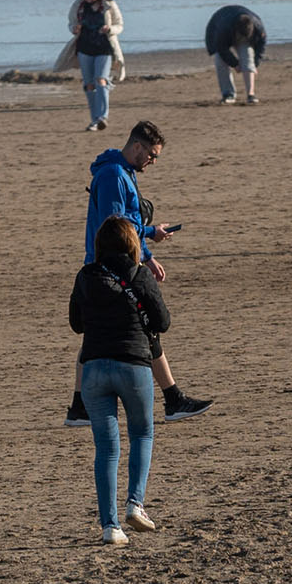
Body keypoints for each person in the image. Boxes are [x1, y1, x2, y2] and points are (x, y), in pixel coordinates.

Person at [64, 121, 210, 426]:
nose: (153, 161)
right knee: (139, 327)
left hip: (120, 262)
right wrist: (149, 233)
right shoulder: (114, 175)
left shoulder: (123, 172)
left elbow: (124, 223)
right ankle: (172, 399)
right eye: (152, 154)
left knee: (111, 332)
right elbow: (115, 224)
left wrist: (147, 255)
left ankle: (82, 408)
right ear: (137, 146)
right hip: (109, 266)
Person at [70, 216, 170, 545]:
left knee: (106, 449)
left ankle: (110, 526)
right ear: (131, 244)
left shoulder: (86, 276)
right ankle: (135, 504)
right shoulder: (139, 274)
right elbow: (162, 322)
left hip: (96, 368)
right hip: (134, 364)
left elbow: (76, 324)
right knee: (141, 433)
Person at [55, 0, 124, 132]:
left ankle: (102, 117)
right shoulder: (79, 5)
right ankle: (94, 120)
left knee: (101, 79)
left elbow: (119, 24)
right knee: (89, 84)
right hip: (84, 47)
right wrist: (74, 28)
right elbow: (71, 22)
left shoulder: (108, 4)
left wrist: (110, 29)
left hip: (104, 47)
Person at [204, 5, 267, 105]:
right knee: (220, 61)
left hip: (242, 33)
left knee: (248, 58)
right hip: (219, 31)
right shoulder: (223, 28)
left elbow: (261, 46)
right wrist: (235, 64)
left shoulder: (258, 27)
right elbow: (221, 49)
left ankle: (251, 94)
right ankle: (228, 94)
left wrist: (255, 63)